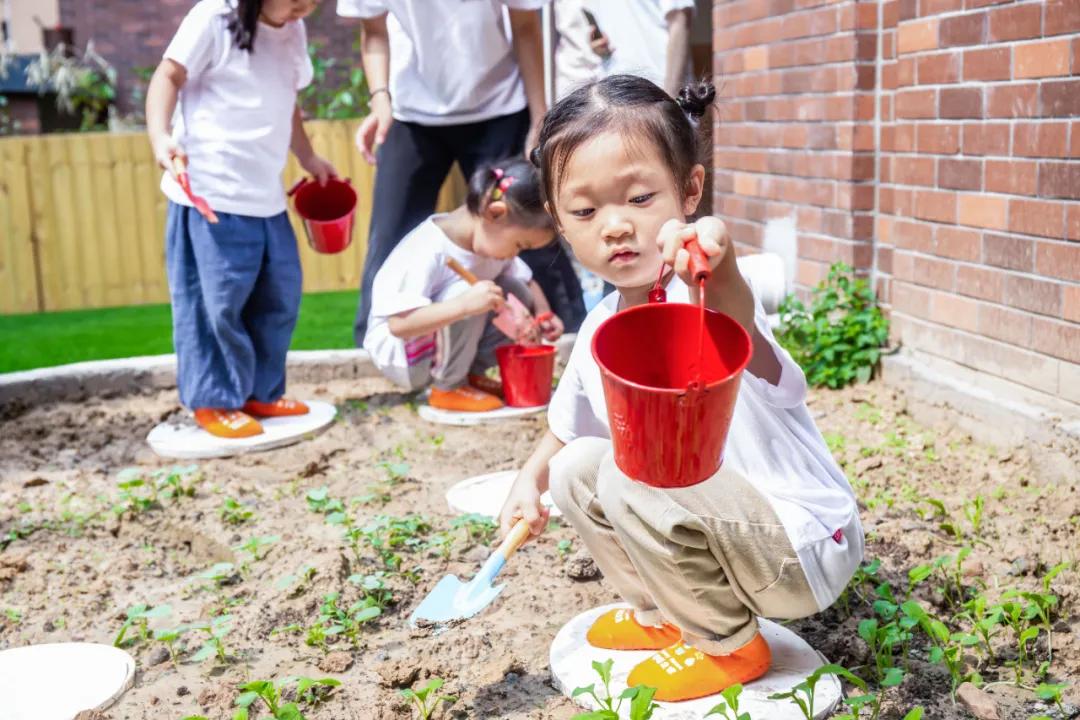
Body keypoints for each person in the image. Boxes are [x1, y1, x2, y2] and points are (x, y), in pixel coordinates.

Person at [498, 75, 864, 702]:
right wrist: (527, 482)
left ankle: (730, 645)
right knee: (578, 468)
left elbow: (734, 310)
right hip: (727, 538)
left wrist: (715, 258)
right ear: (558, 220)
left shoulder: (708, 302)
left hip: (799, 546)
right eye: (585, 211)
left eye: (641, 198)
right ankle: (664, 615)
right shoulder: (597, 332)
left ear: (690, 189)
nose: (615, 226)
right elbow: (569, 428)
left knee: (631, 473)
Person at [337, 0, 586, 345]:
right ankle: (372, 351)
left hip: (500, 105)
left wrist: (539, 116)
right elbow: (374, 33)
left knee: (531, 227)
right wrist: (380, 100)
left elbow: (527, 29)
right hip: (411, 111)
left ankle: (570, 337)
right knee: (389, 233)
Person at [146, 0, 336, 439]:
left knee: (278, 297)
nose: (304, 8)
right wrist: (161, 137)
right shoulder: (213, 18)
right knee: (216, 304)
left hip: (264, 194)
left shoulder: (292, 28)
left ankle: (260, 392)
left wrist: (307, 156)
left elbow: (287, 98)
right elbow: (168, 75)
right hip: (209, 193)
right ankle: (215, 399)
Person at [365, 158, 563, 412]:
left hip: (438, 347)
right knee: (470, 294)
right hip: (405, 358)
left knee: (515, 289)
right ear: (495, 213)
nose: (516, 254)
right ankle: (447, 387)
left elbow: (526, 280)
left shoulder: (490, 243)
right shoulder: (427, 249)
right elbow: (399, 325)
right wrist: (463, 305)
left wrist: (543, 313)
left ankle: (469, 376)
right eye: (520, 245)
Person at [583, 0, 695, 97]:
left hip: (658, 91)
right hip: (614, 95)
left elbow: (680, 19)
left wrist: (670, 100)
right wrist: (602, 50)